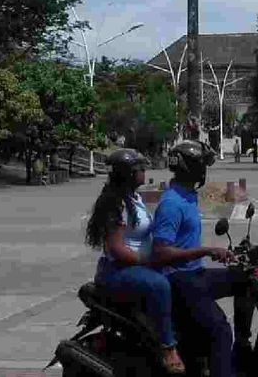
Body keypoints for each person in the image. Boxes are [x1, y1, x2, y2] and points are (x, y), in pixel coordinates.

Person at [152, 141, 254, 377]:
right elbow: (161, 252)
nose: (205, 171)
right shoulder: (171, 204)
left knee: (247, 280)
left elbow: (226, 195)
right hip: (179, 279)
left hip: (194, 273)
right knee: (220, 330)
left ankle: (243, 346)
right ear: (190, 168)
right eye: (202, 165)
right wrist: (206, 250)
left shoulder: (188, 196)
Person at [85, 149, 185, 375]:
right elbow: (117, 248)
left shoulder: (133, 198)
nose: (144, 171)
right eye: (139, 168)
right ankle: (168, 348)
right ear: (127, 173)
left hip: (135, 268)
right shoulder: (115, 203)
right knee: (159, 285)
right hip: (117, 271)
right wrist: (148, 261)